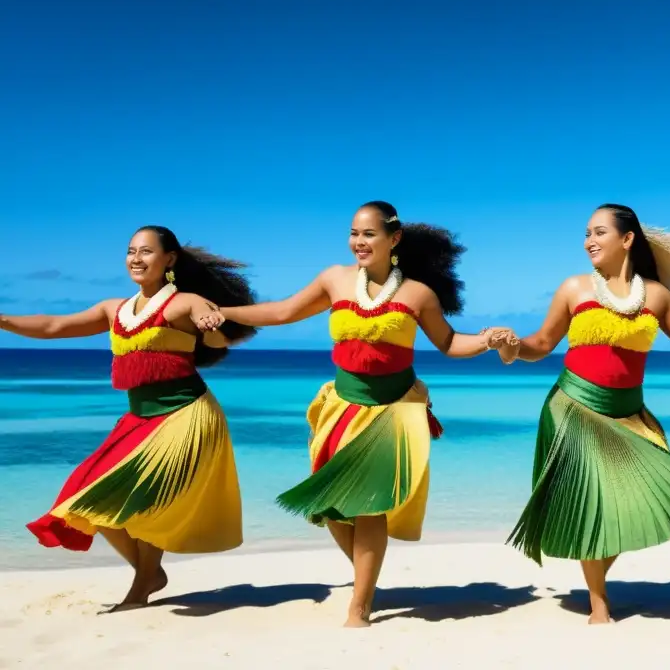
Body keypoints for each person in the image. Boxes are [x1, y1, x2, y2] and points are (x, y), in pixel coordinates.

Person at [194, 200, 513, 627]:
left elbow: (450, 342)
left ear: (393, 239)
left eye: (369, 234)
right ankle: (369, 577)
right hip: (341, 408)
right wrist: (224, 313)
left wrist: (488, 340)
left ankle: (359, 606)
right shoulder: (335, 280)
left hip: (393, 411)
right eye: (354, 233)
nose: (358, 242)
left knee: (369, 508)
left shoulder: (418, 294)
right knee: (329, 507)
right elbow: (284, 311)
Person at [493, 203, 670, 624]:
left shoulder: (655, 296)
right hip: (575, 407)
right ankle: (599, 601)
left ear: (627, 240)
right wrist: (511, 347)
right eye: (586, 233)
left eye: (599, 232)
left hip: (628, 412)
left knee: (621, 505)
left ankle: (598, 580)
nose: (589, 241)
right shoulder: (575, 288)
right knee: (591, 503)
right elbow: (541, 343)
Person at [1, 226, 256, 611]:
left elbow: (217, 336)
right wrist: (3, 320)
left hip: (186, 413)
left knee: (149, 502)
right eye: (131, 251)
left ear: (169, 259)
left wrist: (211, 325)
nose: (136, 258)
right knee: (84, 498)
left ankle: (140, 587)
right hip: (138, 419)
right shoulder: (113, 309)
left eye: (147, 251)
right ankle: (149, 573)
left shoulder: (186, 302)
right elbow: (54, 326)